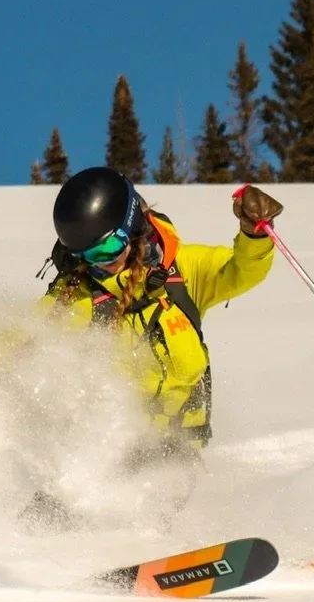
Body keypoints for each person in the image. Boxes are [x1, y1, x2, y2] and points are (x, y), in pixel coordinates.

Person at [41, 166, 283, 451]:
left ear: (132, 227)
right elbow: (21, 340)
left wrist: (254, 235)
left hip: (180, 454)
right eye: (88, 256)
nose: (100, 263)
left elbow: (240, 272)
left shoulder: (181, 272)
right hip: (107, 455)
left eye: (107, 249)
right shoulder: (75, 299)